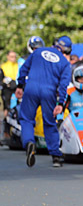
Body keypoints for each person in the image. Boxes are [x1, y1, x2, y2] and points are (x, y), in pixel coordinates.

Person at [16, 36, 73, 168]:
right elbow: (63, 86)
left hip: (31, 88)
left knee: (26, 119)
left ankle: (29, 142)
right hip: (49, 92)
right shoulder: (65, 63)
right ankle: (56, 156)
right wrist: (60, 104)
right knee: (49, 122)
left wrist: (20, 86)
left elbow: (23, 70)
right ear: (68, 50)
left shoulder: (37, 52)